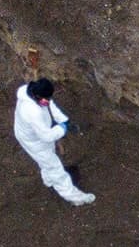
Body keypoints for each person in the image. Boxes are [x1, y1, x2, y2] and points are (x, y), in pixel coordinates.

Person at [12, 78, 96, 207]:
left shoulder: (30, 92)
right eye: (45, 99)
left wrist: (64, 120)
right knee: (54, 167)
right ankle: (74, 197)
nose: (48, 101)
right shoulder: (32, 112)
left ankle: (49, 180)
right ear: (37, 96)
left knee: (47, 160)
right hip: (35, 142)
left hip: (32, 133)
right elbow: (46, 136)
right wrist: (62, 128)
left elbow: (50, 105)